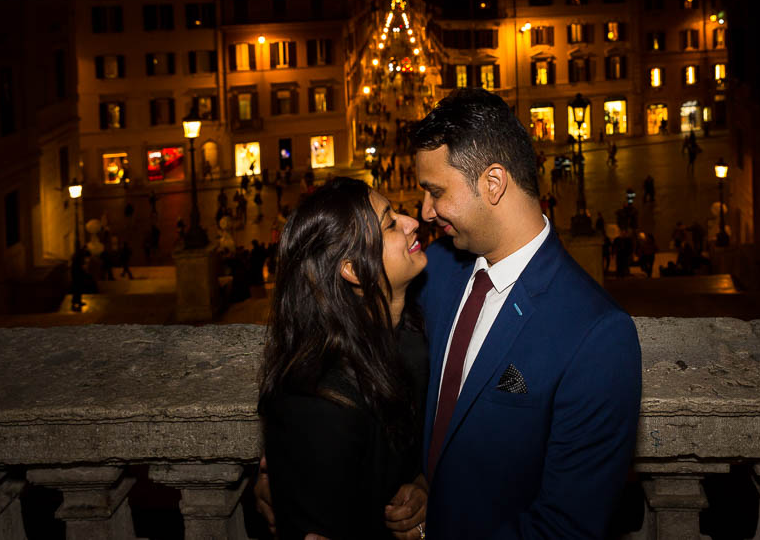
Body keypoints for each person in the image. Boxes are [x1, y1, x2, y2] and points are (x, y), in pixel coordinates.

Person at [409, 89, 641, 538]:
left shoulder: (597, 334)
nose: (425, 211)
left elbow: (566, 526)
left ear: (493, 183)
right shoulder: (434, 272)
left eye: (436, 192)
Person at [256, 177, 429, 539]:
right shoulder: (317, 399)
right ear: (352, 269)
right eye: (391, 223)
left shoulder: (411, 340)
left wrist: (422, 487)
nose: (412, 221)